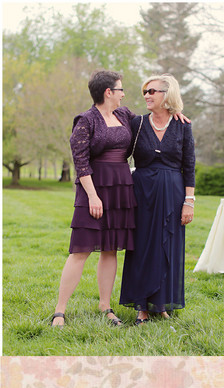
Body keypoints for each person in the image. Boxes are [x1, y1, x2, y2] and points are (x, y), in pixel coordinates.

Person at [51, 70, 136, 327]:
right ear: (108, 92)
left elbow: (149, 123)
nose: (123, 94)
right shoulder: (86, 121)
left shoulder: (124, 115)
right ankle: (59, 310)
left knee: (110, 249)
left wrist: (174, 114)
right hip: (93, 188)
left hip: (121, 187)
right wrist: (93, 196)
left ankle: (105, 305)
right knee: (81, 249)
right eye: (120, 89)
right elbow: (81, 162)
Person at [119, 74, 195, 326]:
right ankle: (142, 307)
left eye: (153, 91)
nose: (147, 95)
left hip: (173, 194)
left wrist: (189, 201)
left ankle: (161, 304)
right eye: (145, 92)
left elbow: (189, 166)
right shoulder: (137, 123)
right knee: (141, 247)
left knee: (168, 249)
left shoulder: (183, 126)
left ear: (167, 94)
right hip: (142, 193)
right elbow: (121, 153)